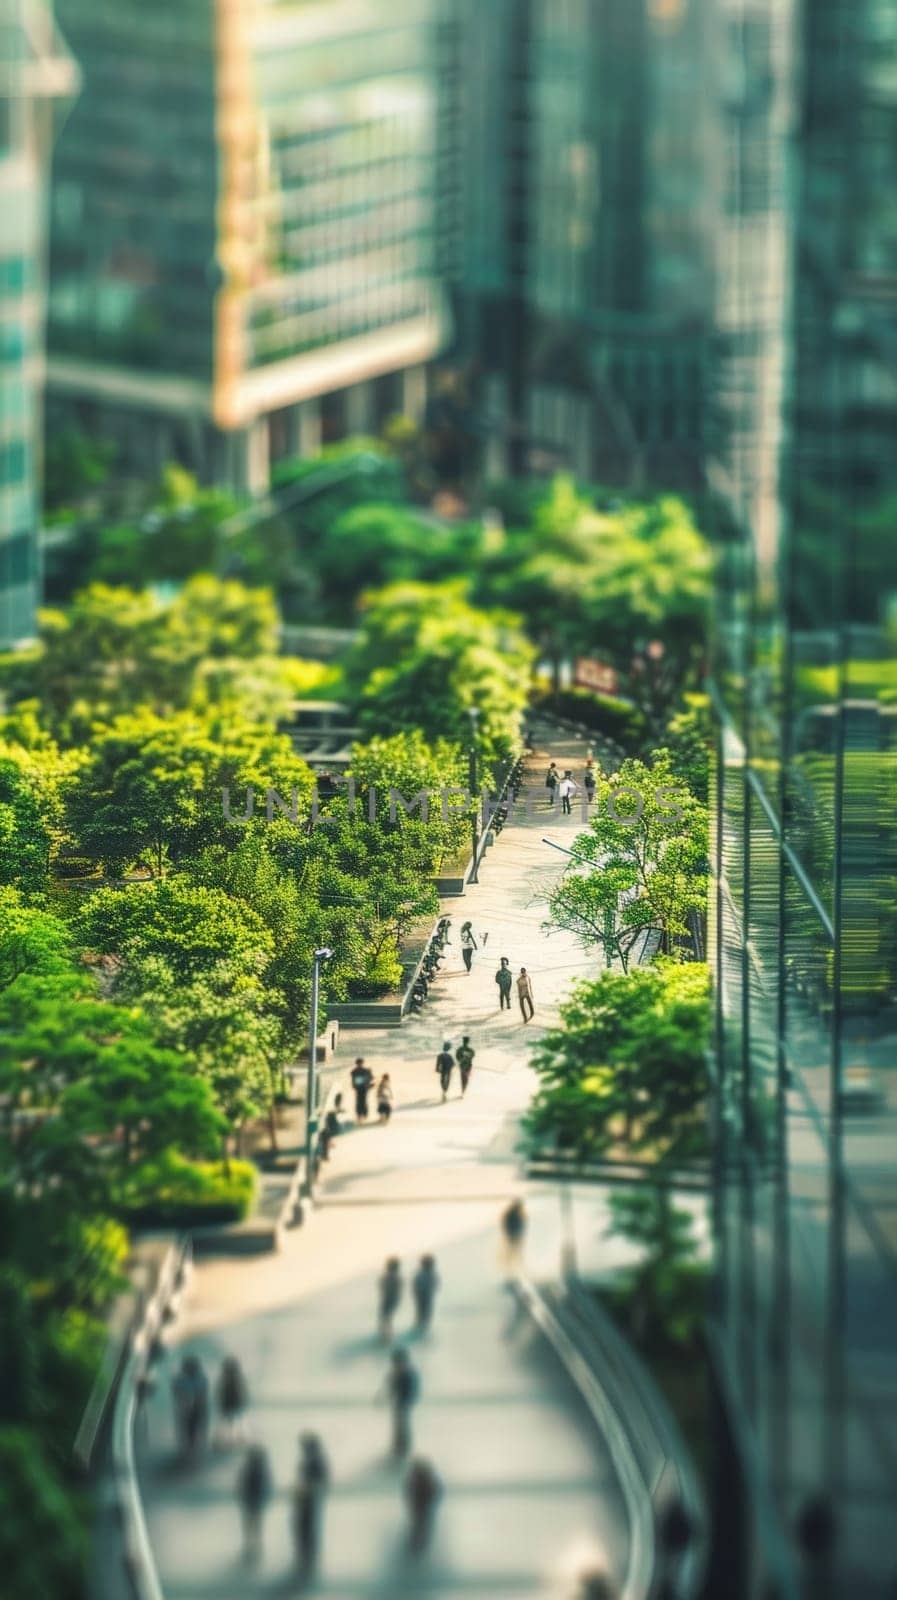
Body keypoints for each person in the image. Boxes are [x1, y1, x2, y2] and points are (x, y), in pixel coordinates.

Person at [291, 1432, 329, 1581]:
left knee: (307, 1528)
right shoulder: (310, 1460)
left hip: (310, 1500)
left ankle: (308, 1557)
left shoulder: (316, 1461)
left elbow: (321, 1481)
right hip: (306, 1499)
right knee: (303, 1528)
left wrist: (310, 1489)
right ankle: (306, 1556)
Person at [237, 1443, 272, 1564]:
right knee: (254, 1524)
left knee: (251, 1524)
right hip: (254, 1501)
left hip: (251, 1501)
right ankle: (254, 1545)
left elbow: (242, 1485)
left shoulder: (250, 1469)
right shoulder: (262, 1469)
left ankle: (252, 1545)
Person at [172, 1353, 209, 1460]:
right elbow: (177, 1391)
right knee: (188, 1429)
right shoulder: (185, 1379)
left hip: (195, 1408)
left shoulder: (196, 1378)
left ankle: (193, 1449)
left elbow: (202, 1392)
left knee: (194, 1429)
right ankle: (190, 1449)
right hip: (187, 1409)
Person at [384, 1348, 419, 1458]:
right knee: (398, 1424)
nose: (398, 1365)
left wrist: (409, 1401)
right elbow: (391, 1385)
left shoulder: (409, 1374)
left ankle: (403, 1445)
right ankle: (398, 1444)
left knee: (403, 1425)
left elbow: (412, 1389)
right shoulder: (396, 1373)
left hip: (404, 1403)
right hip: (398, 1402)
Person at [405, 1457, 442, 1555]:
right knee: (421, 1524)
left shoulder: (417, 1481)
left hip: (421, 1506)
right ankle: (418, 1545)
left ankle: (417, 1545)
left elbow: (410, 1493)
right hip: (422, 1506)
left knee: (420, 1524)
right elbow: (436, 1492)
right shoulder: (424, 1480)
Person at [215, 1355, 249, 1446]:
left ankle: (228, 1439)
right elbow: (241, 1391)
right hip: (231, 1403)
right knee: (233, 1421)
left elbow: (221, 1391)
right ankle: (233, 1438)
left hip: (230, 1403)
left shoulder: (228, 1378)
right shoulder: (234, 1378)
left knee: (230, 1421)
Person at [412, 1255, 440, 1333]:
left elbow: (435, 1284)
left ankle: (422, 1326)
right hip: (424, 1295)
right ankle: (421, 1326)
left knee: (424, 1311)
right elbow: (435, 1284)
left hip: (425, 1295)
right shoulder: (427, 1274)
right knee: (423, 1311)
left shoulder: (424, 1274)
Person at [378, 1257, 403, 1342]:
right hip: (391, 1299)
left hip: (389, 1299)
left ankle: (386, 1336)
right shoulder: (395, 1277)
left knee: (386, 1317)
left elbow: (382, 1287)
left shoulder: (390, 1277)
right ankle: (386, 1335)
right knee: (387, 1317)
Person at [501, 1199, 527, 1276]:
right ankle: (511, 1268)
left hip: (515, 1237)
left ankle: (515, 1267)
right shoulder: (512, 1214)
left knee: (515, 1252)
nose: (522, 1208)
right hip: (513, 1237)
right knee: (512, 1252)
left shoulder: (517, 1214)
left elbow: (521, 1226)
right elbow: (507, 1226)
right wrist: (510, 1235)